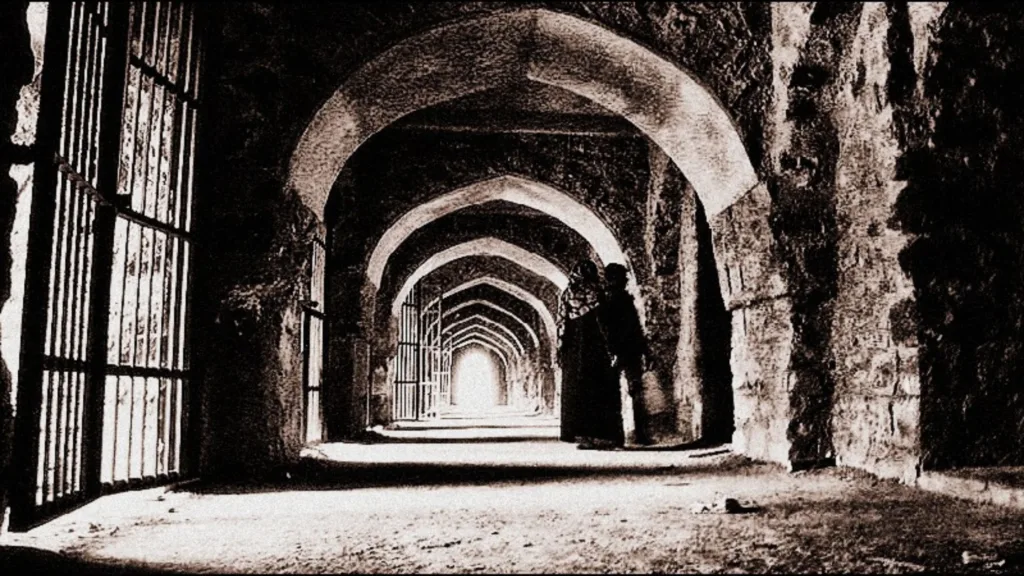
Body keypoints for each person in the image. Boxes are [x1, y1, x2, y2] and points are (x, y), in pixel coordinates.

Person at [557, 259, 623, 450]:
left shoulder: (568, 294)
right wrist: (612, 347)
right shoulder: (599, 292)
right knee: (600, 389)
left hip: (575, 348)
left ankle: (585, 437)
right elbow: (606, 321)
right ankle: (604, 436)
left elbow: (562, 323)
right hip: (596, 346)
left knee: (579, 392)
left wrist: (560, 349)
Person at [600, 263, 653, 446]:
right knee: (621, 393)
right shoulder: (609, 300)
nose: (625, 280)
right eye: (622, 277)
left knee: (633, 391)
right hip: (621, 350)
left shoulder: (611, 299)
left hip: (626, 350)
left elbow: (635, 327)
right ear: (613, 279)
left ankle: (631, 434)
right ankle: (622, 435)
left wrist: (645, 350)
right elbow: (607, 329)